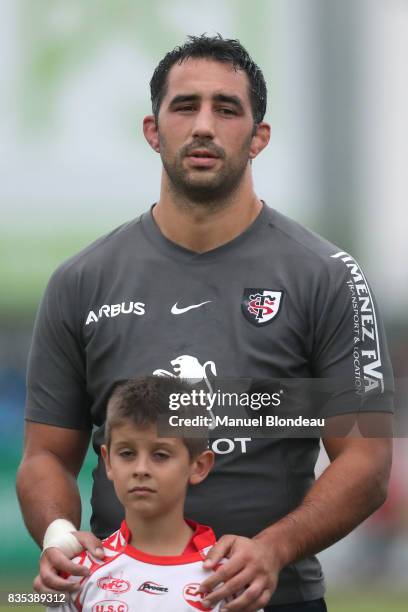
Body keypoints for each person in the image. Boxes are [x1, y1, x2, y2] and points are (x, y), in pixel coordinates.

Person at [17, 34, 393, 612]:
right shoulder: (81, 281)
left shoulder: (325, 276)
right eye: (185, 106)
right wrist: (60, 536)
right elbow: (46, 456)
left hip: (272, 599)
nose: (203, 126)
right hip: (115, 597)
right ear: (152, 129)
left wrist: (272, 548)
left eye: (226, 109)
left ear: (258, 137)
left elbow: (365, 462)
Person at [45, 375, 230, 611]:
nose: (141, 469)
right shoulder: (78, 572)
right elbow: (17, 598)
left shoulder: (228, 578)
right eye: (127, 454)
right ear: (108, 461)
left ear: (199, 466)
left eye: (160, 455)